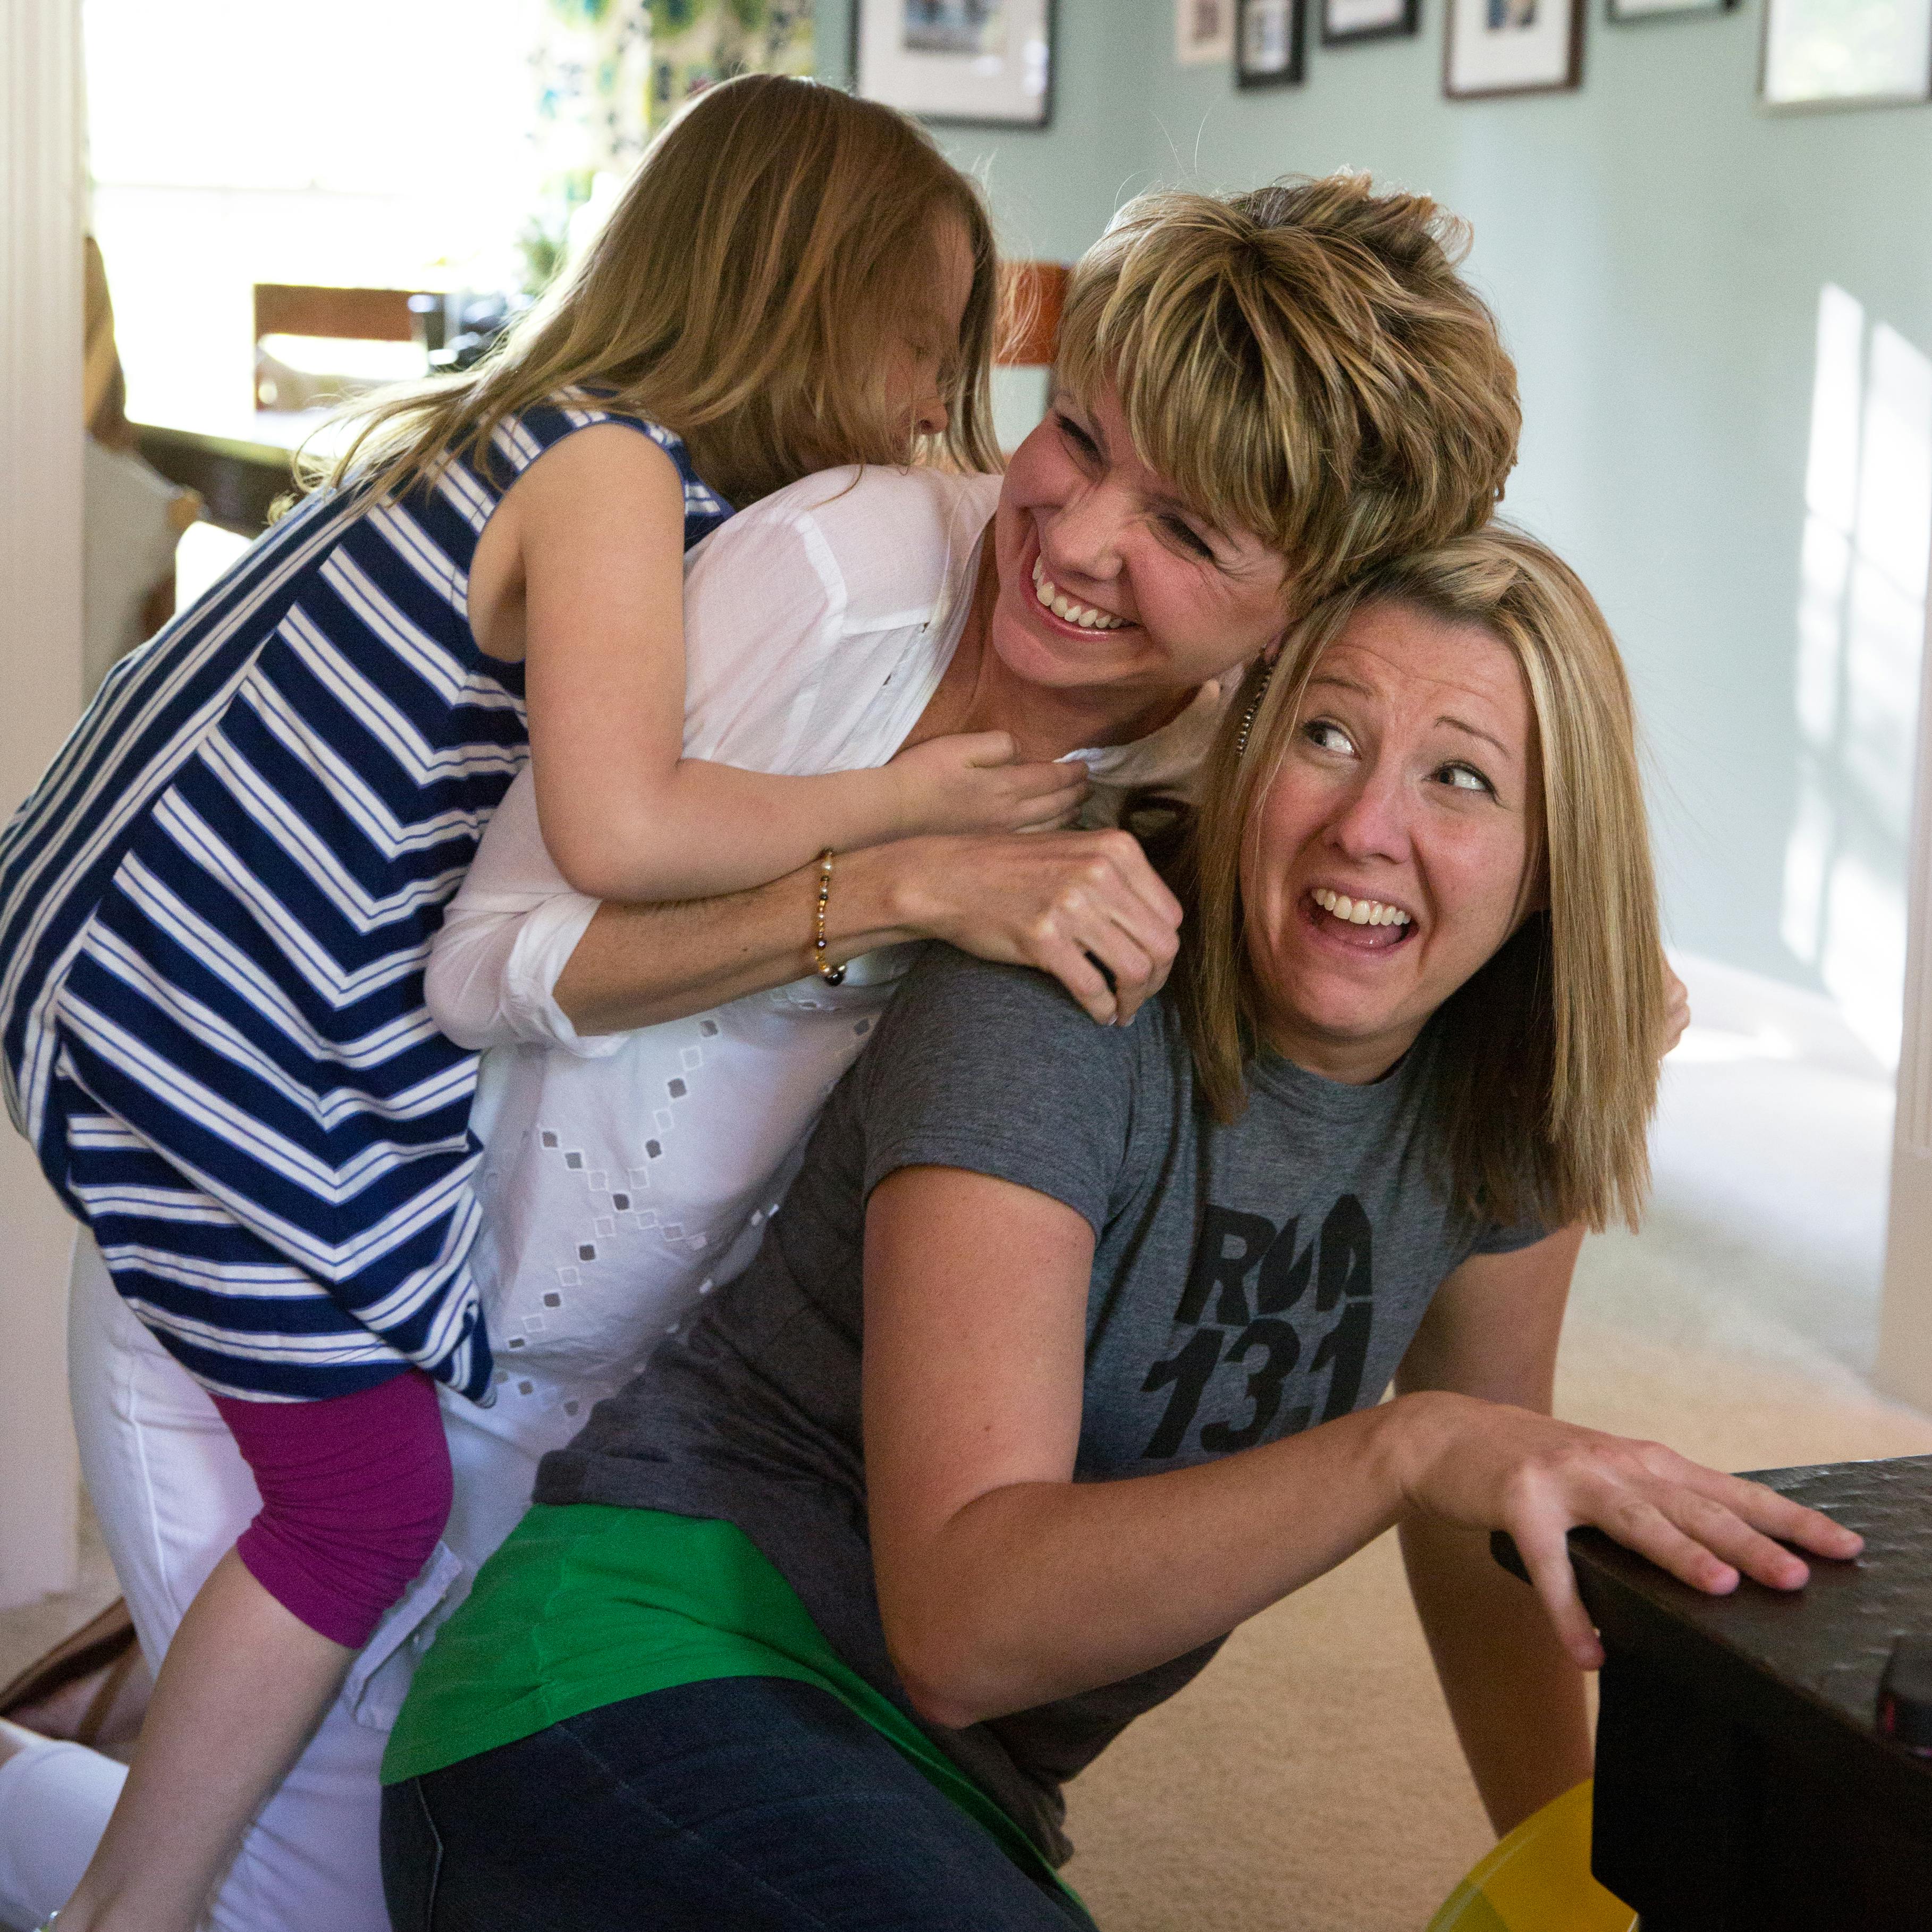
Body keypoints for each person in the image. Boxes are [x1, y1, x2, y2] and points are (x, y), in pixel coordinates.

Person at [379, 526, 1859, 1931]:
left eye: (1461, 777)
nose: (1368, 825)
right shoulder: (1057, 995)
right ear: (1247, 752)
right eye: (1326, 737)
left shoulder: (1508, 1093)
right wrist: (1406, 1448)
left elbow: (1493, 1514)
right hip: (617, 1683)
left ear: (1553, 859)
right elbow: (962, 1629)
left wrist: (1579, 1875)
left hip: (941, 1799)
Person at [0, 74, 1076, 1932]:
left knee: (372, 1530)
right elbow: (623, 817)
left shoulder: (589, 461)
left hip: (211, 1004)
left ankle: (88, 1774)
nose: (925, 412)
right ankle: (132, 1909)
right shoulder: (600, 470)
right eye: (919, 353)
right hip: (198, 1021)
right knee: (365, 1507)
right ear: (801, 308)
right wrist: (910, 809)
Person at [415, 176, 1526, 1541]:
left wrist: (1585, 953)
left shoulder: (1237, 770)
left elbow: (1447, 842)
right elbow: (478, 972)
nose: (1074, 535)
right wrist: (894, 888)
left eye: (1185, 530)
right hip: (395, 1351)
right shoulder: (840, 575)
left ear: (1312, 609)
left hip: (687, 1452)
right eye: (1076, 435)